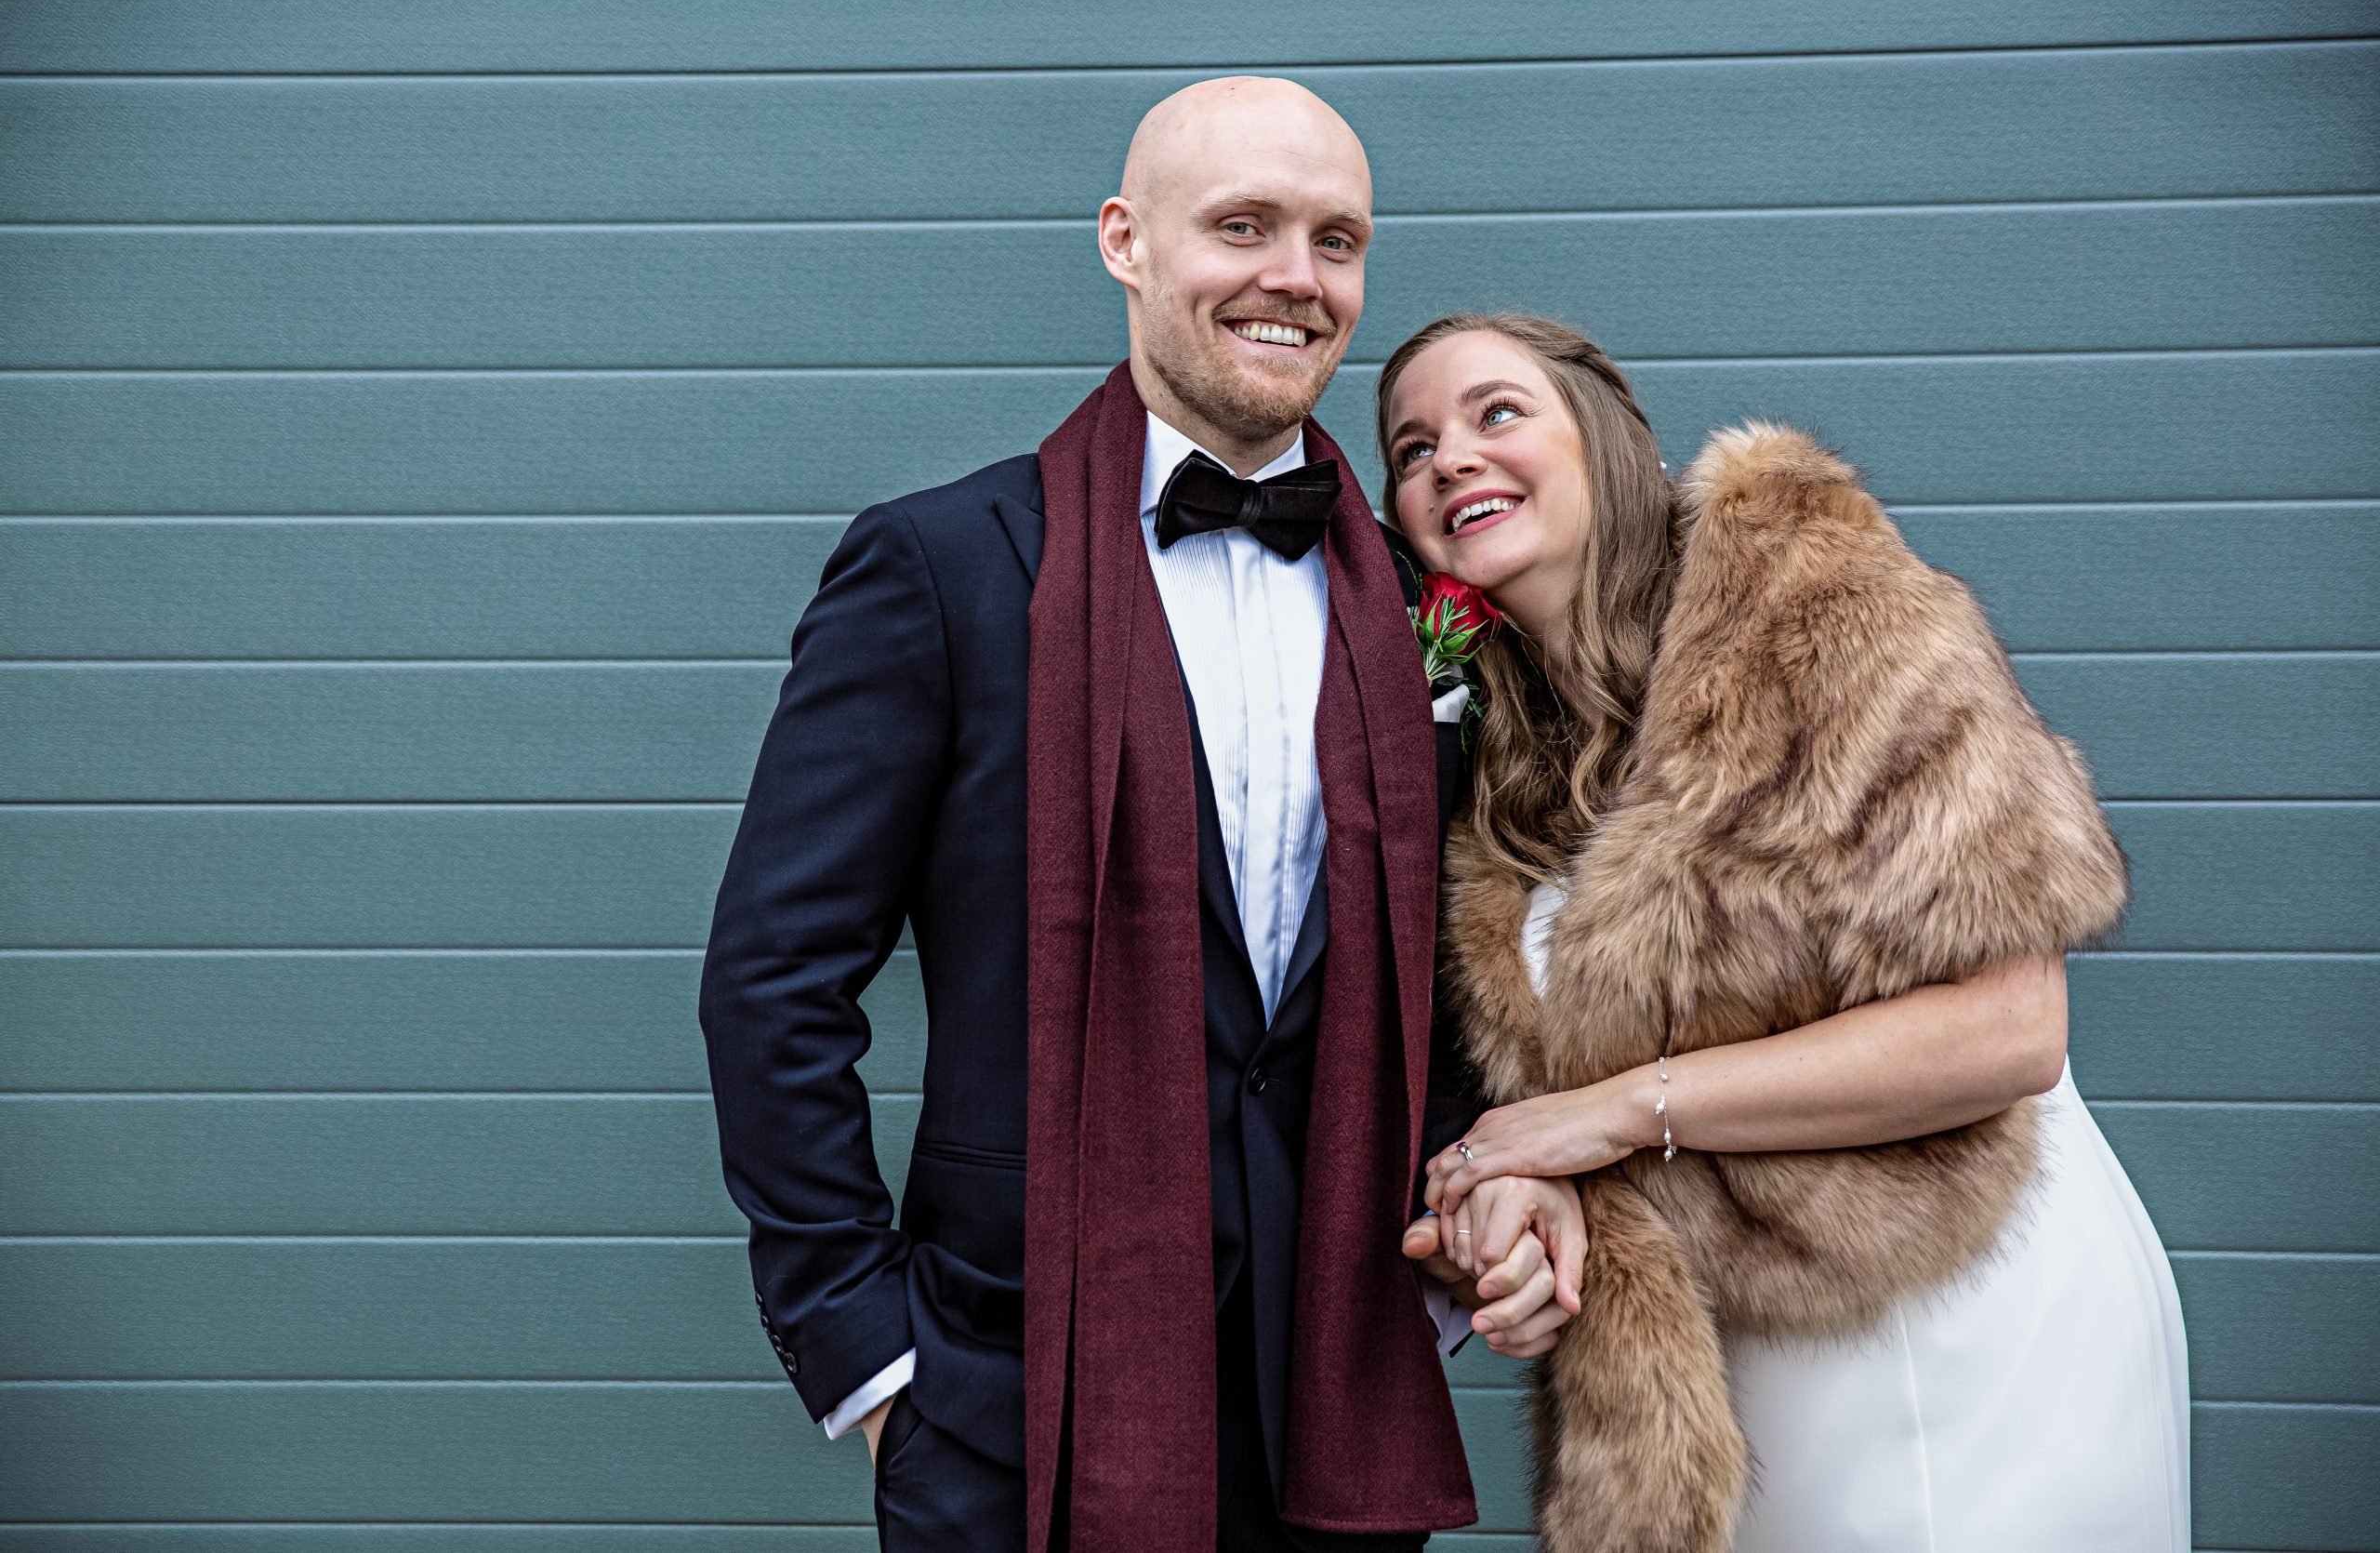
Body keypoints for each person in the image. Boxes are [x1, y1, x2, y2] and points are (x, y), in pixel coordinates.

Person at [698, 85, 1586, 1553]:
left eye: (1336, 240)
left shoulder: (1429, 599)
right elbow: (773, 981)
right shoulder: (940, 567)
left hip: (1344, 1390)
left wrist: (1463, 1234)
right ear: (1124, 240)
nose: (1295, 277)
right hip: (1009, 1395)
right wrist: (870, 1358)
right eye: (1241, 227)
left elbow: (1462, 979)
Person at [1378, 312, 2190, 1553]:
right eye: (1412, 445)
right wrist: (1507, 1205)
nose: (1450, 459)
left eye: (1496, 414)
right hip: (1731, 1387)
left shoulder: (1824, 610)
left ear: (1605, 438)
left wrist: (1602, 1115)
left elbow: (2012, 1027)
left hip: (1964, 1322)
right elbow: (1527, 1110)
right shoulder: (1486, 783)